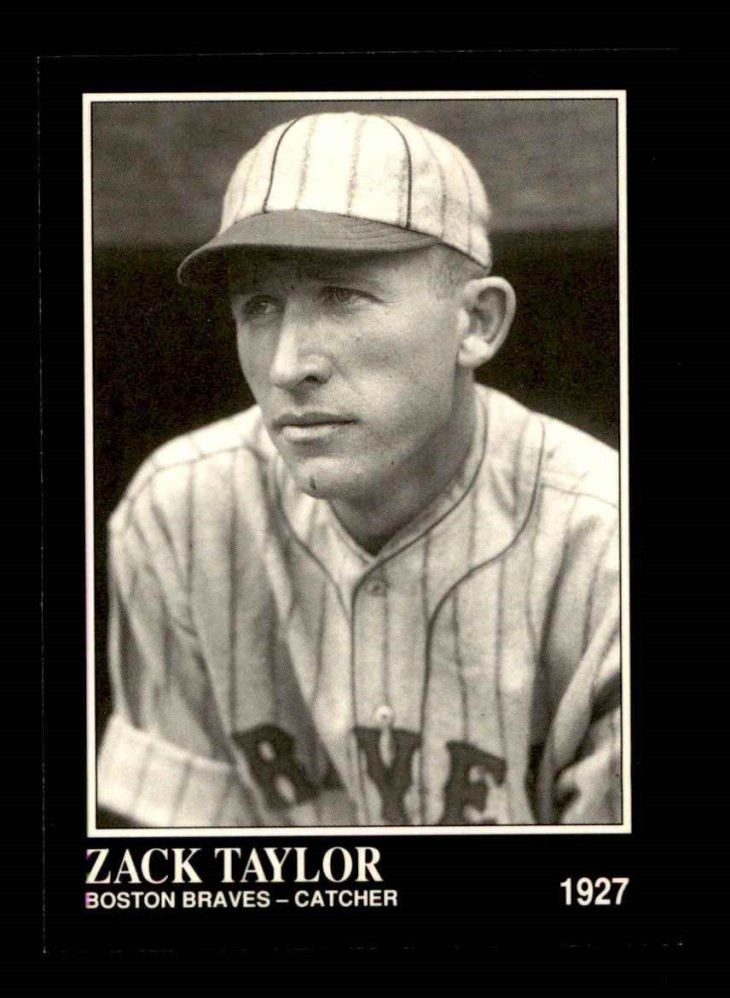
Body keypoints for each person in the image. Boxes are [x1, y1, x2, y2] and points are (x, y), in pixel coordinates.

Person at [97, 111, 621, 828]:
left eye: (342, 296)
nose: (287, 366)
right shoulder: (182, 512)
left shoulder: (605, 544)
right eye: (260, 305)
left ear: (477, 323)